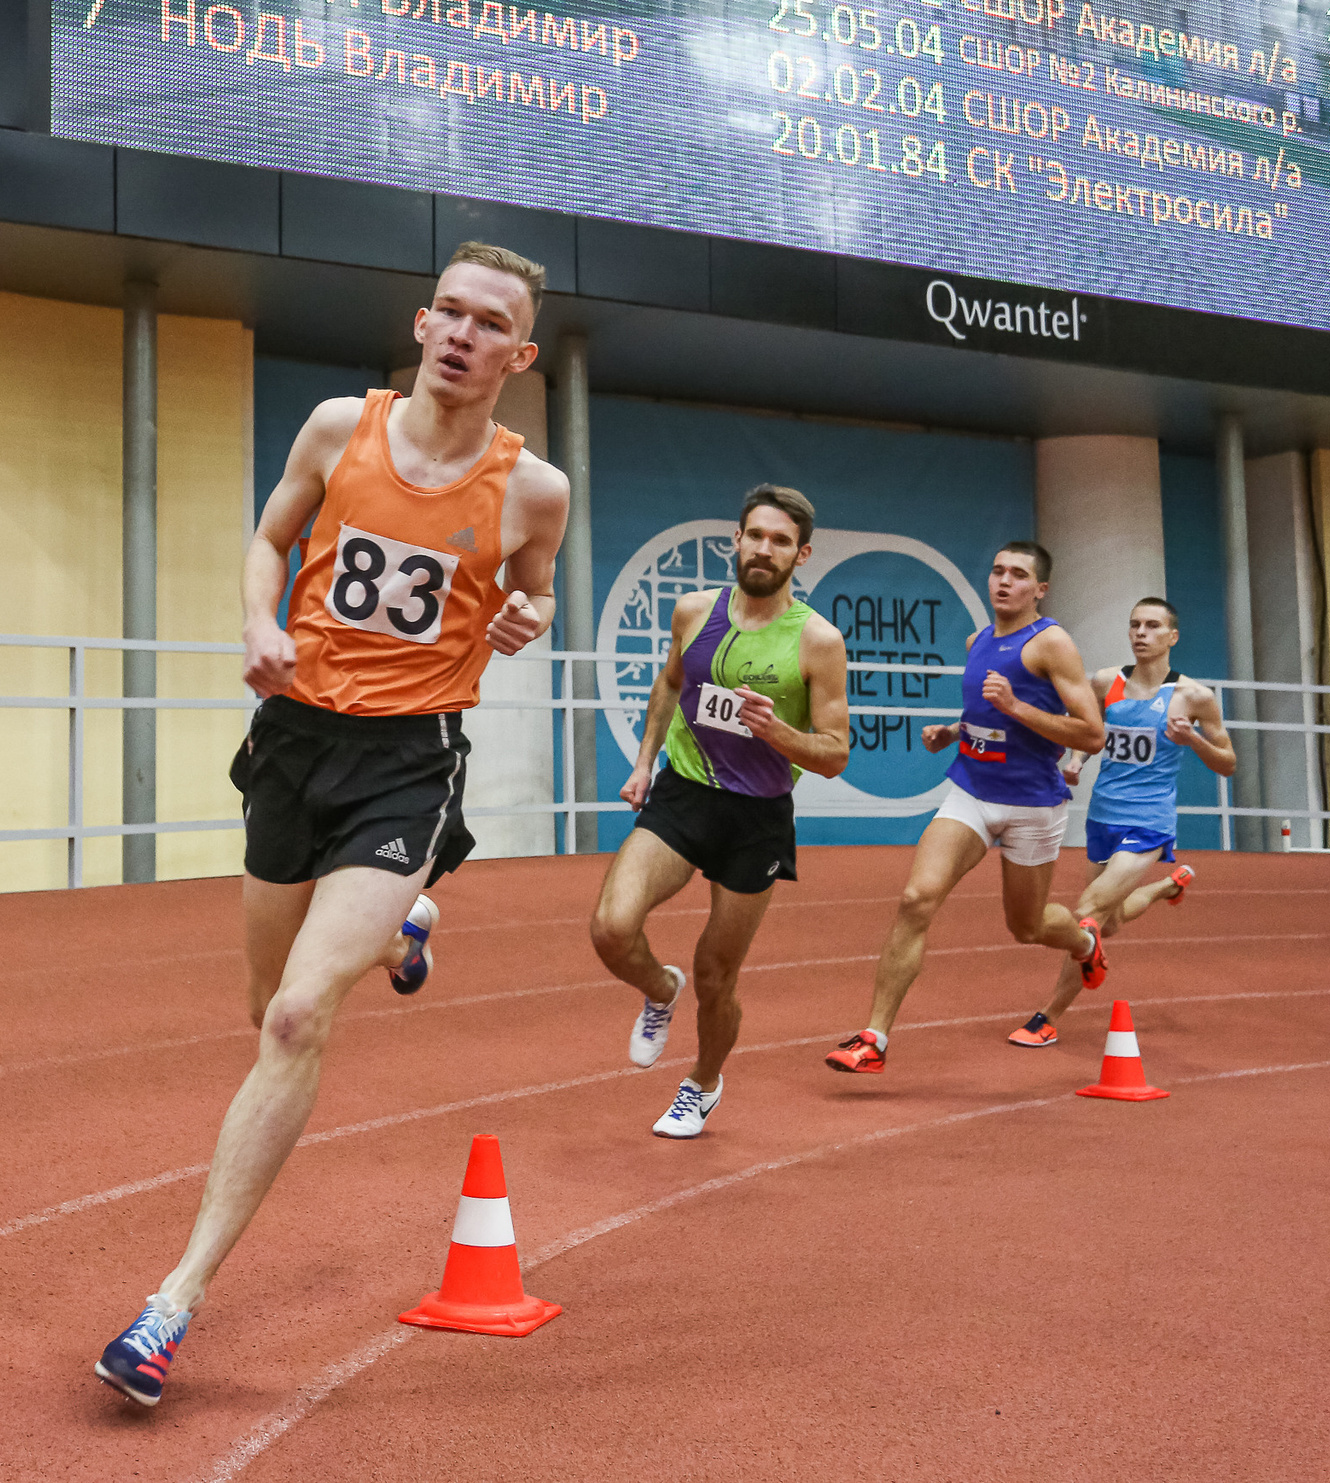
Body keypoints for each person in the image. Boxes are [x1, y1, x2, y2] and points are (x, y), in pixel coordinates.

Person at [93, 243, 571, 1408]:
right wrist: (258, 623)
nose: (461, 335)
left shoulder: (531, 489)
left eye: (487, 322)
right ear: (420, 324)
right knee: (263, 1010)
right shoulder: (332, 429)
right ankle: (403, 926)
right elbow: (269, 542)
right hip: (296, 745)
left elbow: (539, 585)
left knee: (303, 1016)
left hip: (410, 764)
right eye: (447, 312)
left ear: (520, 352)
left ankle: (170, 1305)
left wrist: (525, 616)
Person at [586, 485, 851, 1138]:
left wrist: (778, 733)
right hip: (683, 793)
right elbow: (672, 681)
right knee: (612, 928)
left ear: (802, 553)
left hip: (755, 817)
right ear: (736, 540)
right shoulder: (694, 610)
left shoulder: (818, 641)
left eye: (781, 540)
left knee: (717, 973)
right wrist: (644, 762)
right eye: (755, 534)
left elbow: (835, 753)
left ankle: (703, 1081)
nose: (765, 548)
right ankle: (657, 988)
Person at [826, 542, 1108, 1074]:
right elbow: (987, 709)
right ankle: (873, 1039)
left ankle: (1083, 940)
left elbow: (1091, 733)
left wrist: (1016, 706)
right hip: (972, 794)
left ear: (1039, 590)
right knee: (916, 898)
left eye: (1018, 575)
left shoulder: (1052, 644)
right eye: (998, 570)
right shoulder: (979, 639)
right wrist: (954, 730)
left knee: (1025, 927)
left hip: (1032, 806)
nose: (1004, 581)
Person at [1009, 597, 1236, 1047]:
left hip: (1149, 822)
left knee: (1087, 911)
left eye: (1152, 626)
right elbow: (1086, 730)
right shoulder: (1104, 681)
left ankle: (1047, 1017)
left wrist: (1194, 741)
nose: (1140, 633)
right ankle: (1164, 888)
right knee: (1107, 924)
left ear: (1172, 637)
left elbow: (1227, 762)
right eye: (1134, 625)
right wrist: (1075, 760)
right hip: (1103, 814)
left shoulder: (1193, 697)